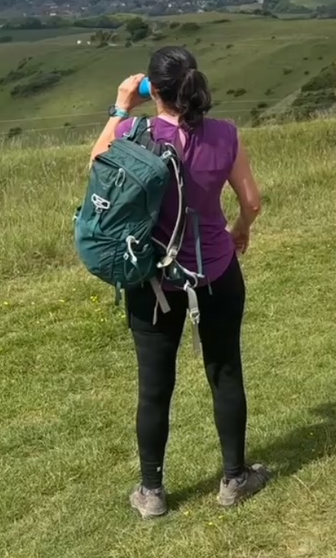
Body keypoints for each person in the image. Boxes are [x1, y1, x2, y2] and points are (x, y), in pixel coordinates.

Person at [89, 46, 268, 518]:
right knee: (225, 370)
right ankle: (234, 477)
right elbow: (251, 200)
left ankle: (151, 492)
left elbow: (95, 165)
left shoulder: (132, 133)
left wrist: (121, 105)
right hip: (215, 273)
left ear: (154, 89)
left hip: (152, 281)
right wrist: (239, 231)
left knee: (154, 387)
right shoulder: (224, 135)